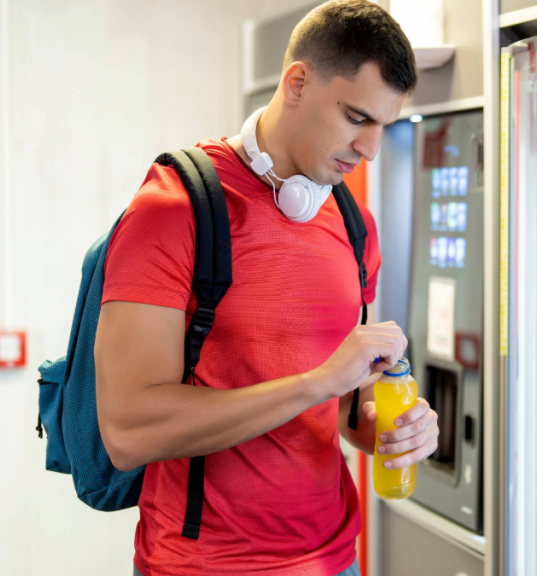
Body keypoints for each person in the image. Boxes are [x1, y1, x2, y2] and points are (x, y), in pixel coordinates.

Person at [93, 2, 438, 575]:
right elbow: (128, 430)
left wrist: (392, 430)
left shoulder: (355, 226)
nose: (370, 149)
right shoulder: (173, 209)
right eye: (356, 118)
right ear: (297, 83)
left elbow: (349, 410)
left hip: (336, 561)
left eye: (385, 126)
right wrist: (315, 383)